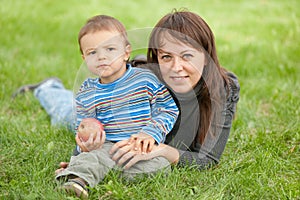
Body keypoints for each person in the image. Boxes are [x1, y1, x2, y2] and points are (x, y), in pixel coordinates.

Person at [13, 9, 239, 196]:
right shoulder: (143, 76)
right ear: (156, 57)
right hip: (111, 121)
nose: (175, 67)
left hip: (146, 143)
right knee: (65, 113)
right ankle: (47, 88)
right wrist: (83, 154)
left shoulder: (224, 87)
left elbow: (207, 158)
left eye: (187, 56)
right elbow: (93, 117)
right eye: (166, 56)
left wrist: (161, 151)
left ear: (205, 54)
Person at [45, 15, 179, 198]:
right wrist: (86, 144)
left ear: (126, 52)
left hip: (139, 149)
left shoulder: (145, 80)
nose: (101, 57)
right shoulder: (88, 91)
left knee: (160, 167)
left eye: (110, 49)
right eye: (92, 52)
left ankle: (94, 171)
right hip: (107, 146)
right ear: (84, 58)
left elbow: (168, 109)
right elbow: (84, 124)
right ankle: (78, 181)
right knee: (95, 156)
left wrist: (150, 133)